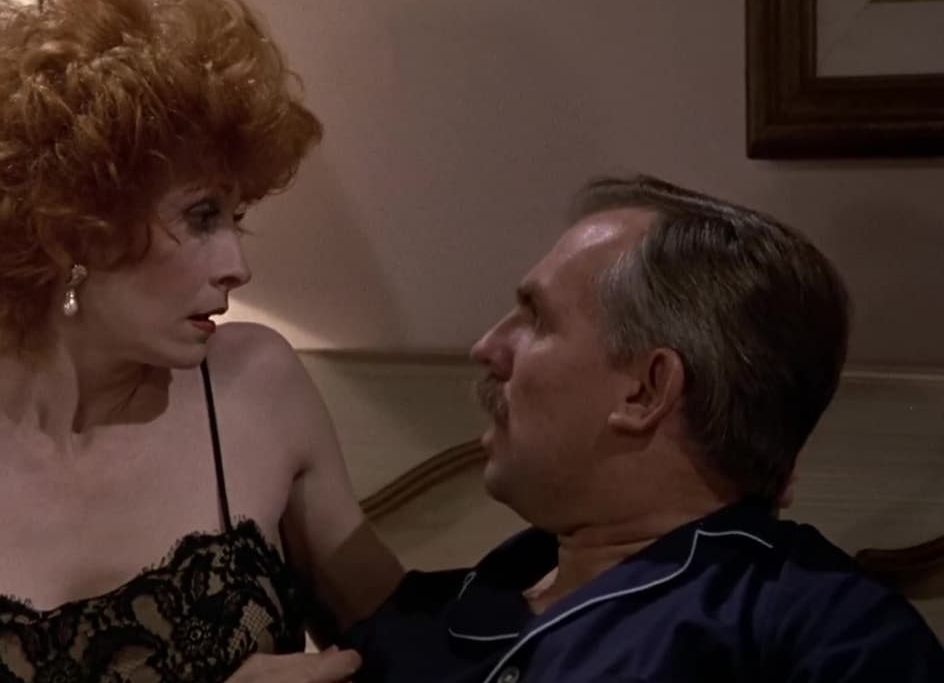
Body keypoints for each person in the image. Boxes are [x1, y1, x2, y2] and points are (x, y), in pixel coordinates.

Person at [0, 0, 400, 683]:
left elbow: (411, 654)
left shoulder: (256, 388)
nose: (238, 266)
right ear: (74, 228)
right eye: (202, 217)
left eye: (236, 218)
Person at [342, 174, 944, 682]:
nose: (487, 348)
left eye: (537, 319)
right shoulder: (446, 611)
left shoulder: (825, 632)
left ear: (646, 391)